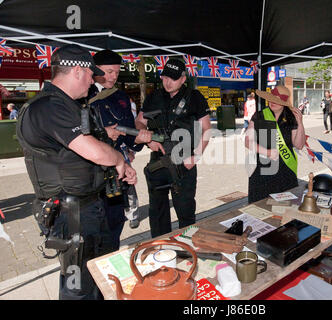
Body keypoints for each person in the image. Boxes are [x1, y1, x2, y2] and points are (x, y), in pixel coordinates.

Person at [16, 44, 137, 300]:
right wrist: (117, 159)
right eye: (92, 74)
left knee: (98, 276)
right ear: (78, 71)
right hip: (72, 214)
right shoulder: (48, 106)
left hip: (89, 207)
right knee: (78, 287)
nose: (93, 80)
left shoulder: (69, 105)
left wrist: (120, 166)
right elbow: (93, 150)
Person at [135, 58, 211, 238]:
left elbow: (207, 129)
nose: (168, 82)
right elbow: (139, 121)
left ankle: (186, 250)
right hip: (158, 162)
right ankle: (161, 249)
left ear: (183, 79)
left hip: (184, 163)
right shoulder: (153, 97)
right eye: (165, 77)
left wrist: (196, 157)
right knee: (158, 212)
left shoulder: (195, 98)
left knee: (185, 212)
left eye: (173, 78)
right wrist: (147, 138)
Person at [89, 49, 153, 249]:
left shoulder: (121, 97)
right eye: (109, 72)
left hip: (117, 174)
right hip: (90, 173)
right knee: (92, 231)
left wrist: (140, 139)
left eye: (116, 72)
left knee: (115, 223)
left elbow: (130, 132)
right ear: (94, 69)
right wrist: (102, 133)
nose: (114, 76)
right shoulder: (81, 93)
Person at [245, 85, 306, 203]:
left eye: (276, 100)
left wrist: (300, 123)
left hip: (285, 172)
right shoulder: (259, 116)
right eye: (271, 98)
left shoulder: (291, 118)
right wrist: (267, 152)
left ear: (284, 103)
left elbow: (299, 145)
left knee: (285, 209)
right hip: (262, 171)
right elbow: (248, 141)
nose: (272, 102)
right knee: (259, 207)